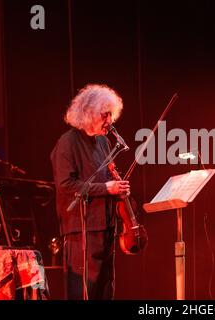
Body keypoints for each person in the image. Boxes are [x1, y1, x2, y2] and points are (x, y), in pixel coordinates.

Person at [50, 84, 130, 300]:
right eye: (105, 115)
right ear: (89, 113)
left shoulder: (103, 141)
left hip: (106, 227)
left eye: (111, 115)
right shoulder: (67, 143)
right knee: (84, 292)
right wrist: (106, 188)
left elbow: (106, 177)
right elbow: (66, 185)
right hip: (81, 230)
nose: (110, 121)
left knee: (105, 291)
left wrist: (118, 188)